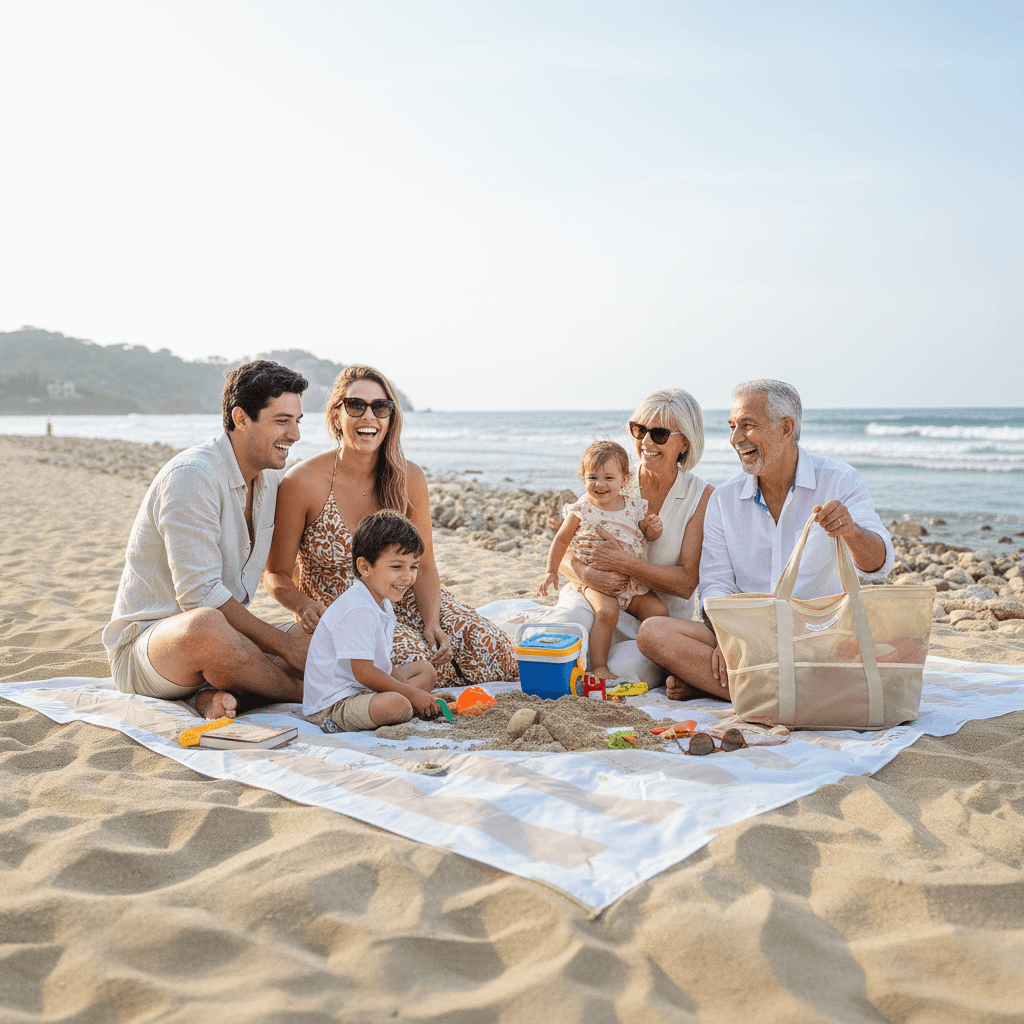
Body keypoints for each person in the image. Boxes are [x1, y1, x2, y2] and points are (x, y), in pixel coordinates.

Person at [637, 378, 895, 701]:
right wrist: (725, 637)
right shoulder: (724, 499)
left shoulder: (840, 481)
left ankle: (734, 687)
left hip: (818, 637)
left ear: (786, 428)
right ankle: (786, 694)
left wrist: (852, 532)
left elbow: (879, 564)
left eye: (747, 425)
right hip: (747, 638)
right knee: (653, 633)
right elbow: (715, 584)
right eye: (732, 426)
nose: (735, 438)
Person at [265, 364, 519, 685]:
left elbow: (424, 566)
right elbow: (275, 574)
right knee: (413, 658)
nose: (368, 416)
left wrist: (432, 622)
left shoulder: (408, 477)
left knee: (490, 645)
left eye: (380, 407)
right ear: (335, 416)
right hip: (348, 611)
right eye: (356, 405)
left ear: (390, 418)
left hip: (407, 597)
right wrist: (303, 605)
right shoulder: (302, 482)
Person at [102, 360, 312, 720]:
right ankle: (301, 694)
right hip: (150, 649)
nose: (294, 434)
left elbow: (282, 569)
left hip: (221, 638)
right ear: (241, 418)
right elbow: (199, 596)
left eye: (297, 421)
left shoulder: (270, 482)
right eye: (281, 421)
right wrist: (285, 650)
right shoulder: (192, 477)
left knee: (314, 639)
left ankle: (210, 696)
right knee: (206, 625)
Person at [545, 388, 714, 684]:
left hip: (653, 618)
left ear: (685, 442)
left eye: (659, 434)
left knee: (624, 672)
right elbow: (565, 551)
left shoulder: (702, 496)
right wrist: (586, 573)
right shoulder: (612, 476)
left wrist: (623, 563)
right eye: (639, 430)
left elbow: (687, 583)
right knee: (566, 628)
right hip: (595, 597)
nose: (645, 442)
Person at [540, 440, 668, 680]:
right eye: (592, 477)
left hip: (632, 583)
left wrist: (654, 528)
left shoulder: (633, 506)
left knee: (659, 611)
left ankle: (660, 661)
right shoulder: (582, 509)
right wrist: (551, 570)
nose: (600, 484)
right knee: (607, 612)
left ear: (624, 479)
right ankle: (599, 666)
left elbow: (646, 535)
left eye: (609, 478)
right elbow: (560, 541)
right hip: (597, 582)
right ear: (583, 478)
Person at [304, 510, 441, 732]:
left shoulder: (382, 602)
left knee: (426, 671)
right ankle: (409, 704)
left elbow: (384, 665)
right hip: (334, 702)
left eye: (413, 566)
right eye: (397, 567)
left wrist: (418, 694)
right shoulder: (358, 608)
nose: (407, 577)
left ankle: (415, 702)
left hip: (362, 690)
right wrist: (413, 694)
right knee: (398, 705)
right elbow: (364, 673)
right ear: (365, 567)